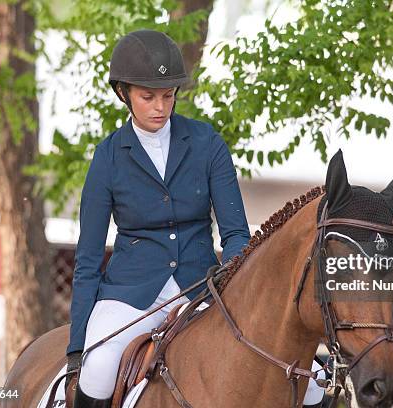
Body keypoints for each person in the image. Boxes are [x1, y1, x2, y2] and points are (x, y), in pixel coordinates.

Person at [66, 29, 325, 408]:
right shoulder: (108, 158)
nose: (160, 107)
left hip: (202, 289)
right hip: (130, 295)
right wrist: (77, 342)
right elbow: (87, 258)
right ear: (124, 93)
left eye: (167, 96)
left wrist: (234, 286)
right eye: (148, 96)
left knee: (314, 386)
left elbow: (236, 234)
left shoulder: (206, 143)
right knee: (99, 367)